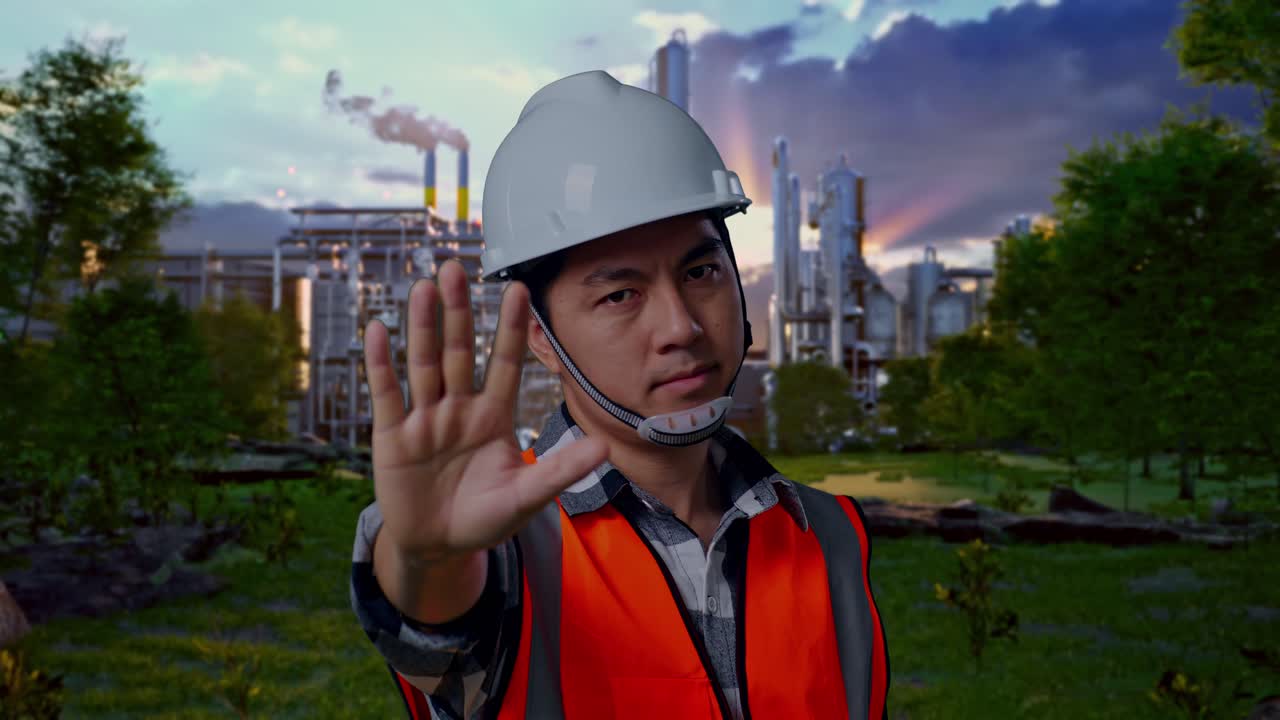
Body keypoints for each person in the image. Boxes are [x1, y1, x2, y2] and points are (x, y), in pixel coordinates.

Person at [353, 69, 889, 720]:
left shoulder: (829, 533)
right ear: (541, 337)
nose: (681, 327)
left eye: (701, 271)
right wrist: (425, 557)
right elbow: (433, 618)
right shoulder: (503, 549)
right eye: (620, 295)